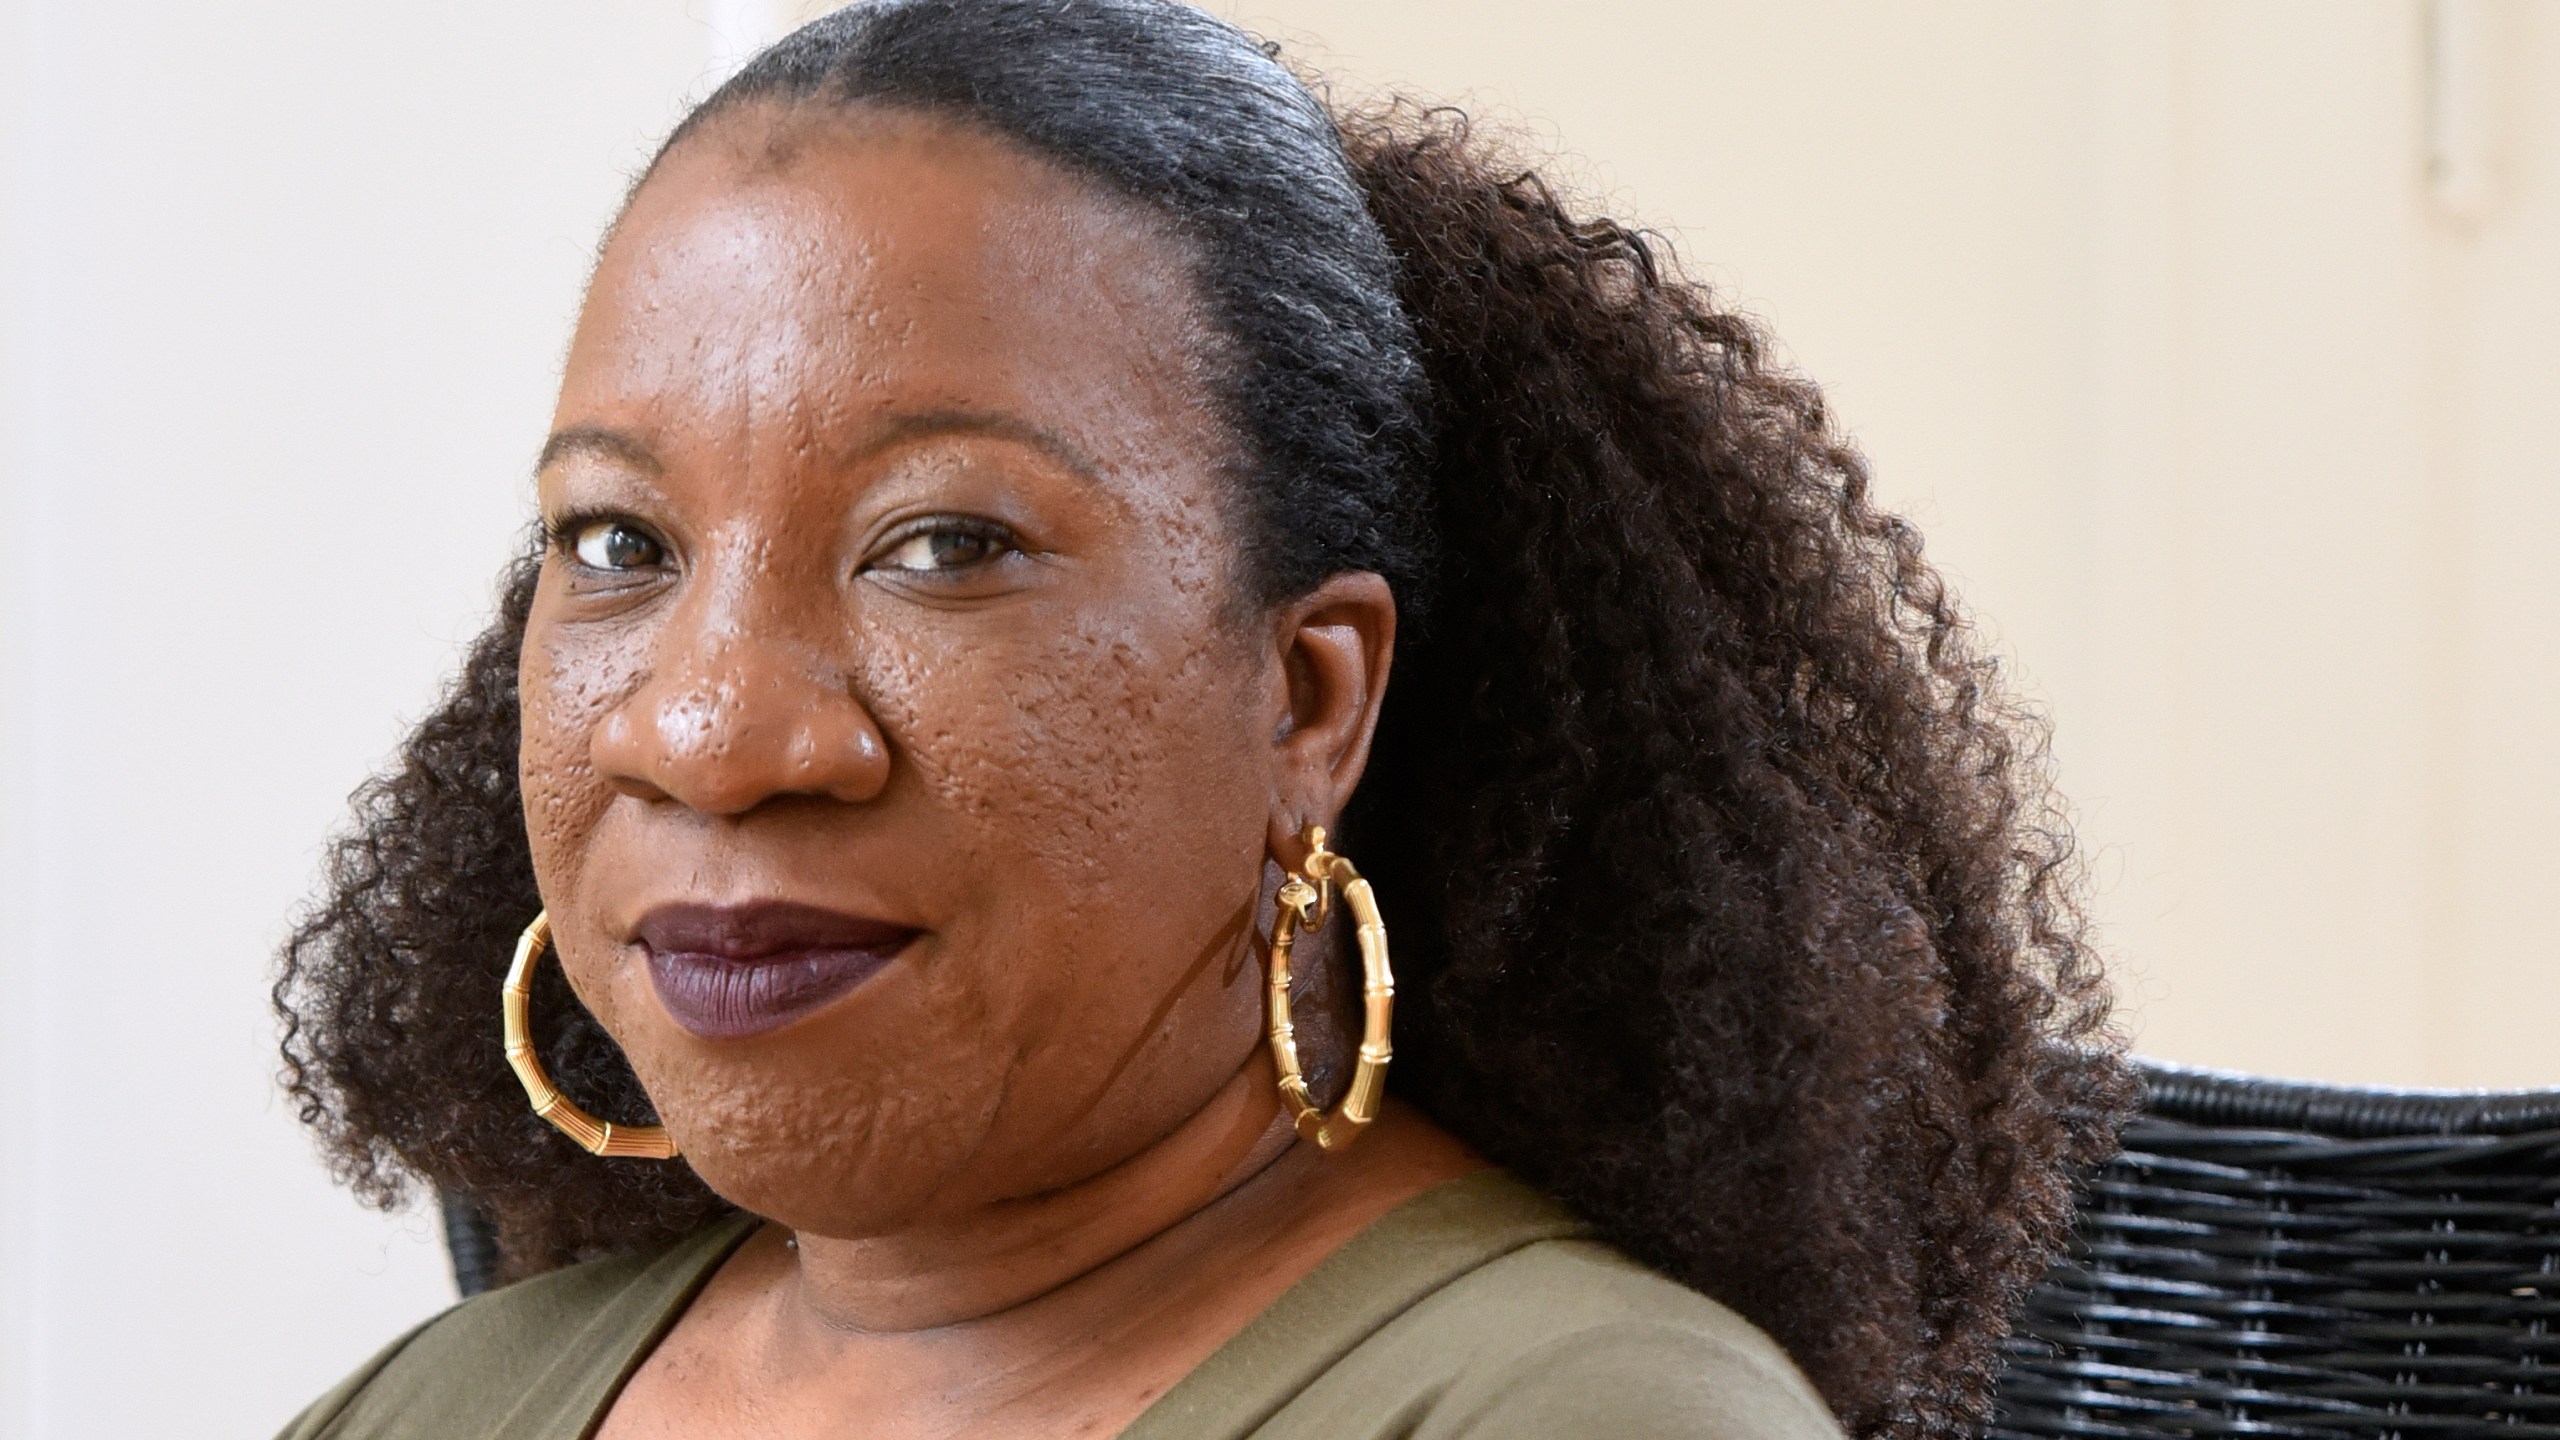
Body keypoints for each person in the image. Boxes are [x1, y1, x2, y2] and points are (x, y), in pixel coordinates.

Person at [271, 2, 2128, 1436]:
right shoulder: (445, 1400)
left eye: (943, 544)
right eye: (619, 540)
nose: (711, 730)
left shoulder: (1582, 1414)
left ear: (1308, 699)